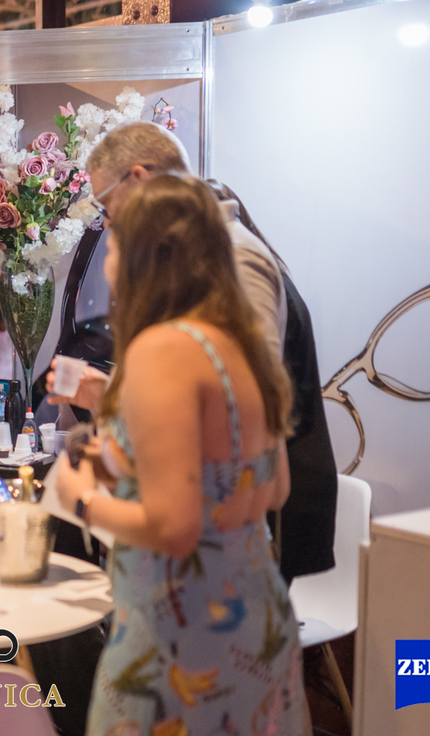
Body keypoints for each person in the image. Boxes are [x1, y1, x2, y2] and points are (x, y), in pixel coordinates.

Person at [53, 175, 306, 735]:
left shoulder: (162, 348)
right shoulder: (243, 343)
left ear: (142, 255)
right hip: (258, 621)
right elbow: (274, 489)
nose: (108, 257)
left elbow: (175, 526)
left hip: (182, 630)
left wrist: (81, 499)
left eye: (114, 242)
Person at [46, 121, 286, 416]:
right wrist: (110, 396)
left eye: (106, 204)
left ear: (139, 179)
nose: (107, 223)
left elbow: (250, 402)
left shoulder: (233, 255)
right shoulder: (190, 257)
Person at [206, 180, 338, 583]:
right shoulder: (270, 274)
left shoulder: (249, 279)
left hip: (288, 479)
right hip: (290, 470)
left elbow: (258, 394)